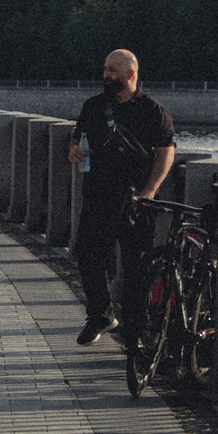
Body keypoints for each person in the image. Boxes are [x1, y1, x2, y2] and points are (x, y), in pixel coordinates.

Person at [65, 49, 179, 347]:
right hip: (98, 195)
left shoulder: (152, 111)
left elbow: (166, 153)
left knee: (135, 267)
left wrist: (150, 190)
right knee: (88, 255)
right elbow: (78, 138)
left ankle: (134, 330)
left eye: (112, 70)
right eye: (104, 69)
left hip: (136, 201)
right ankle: (100, 314)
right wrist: (74, 149)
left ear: (130, 74)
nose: (106, 75)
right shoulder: (94, 106)